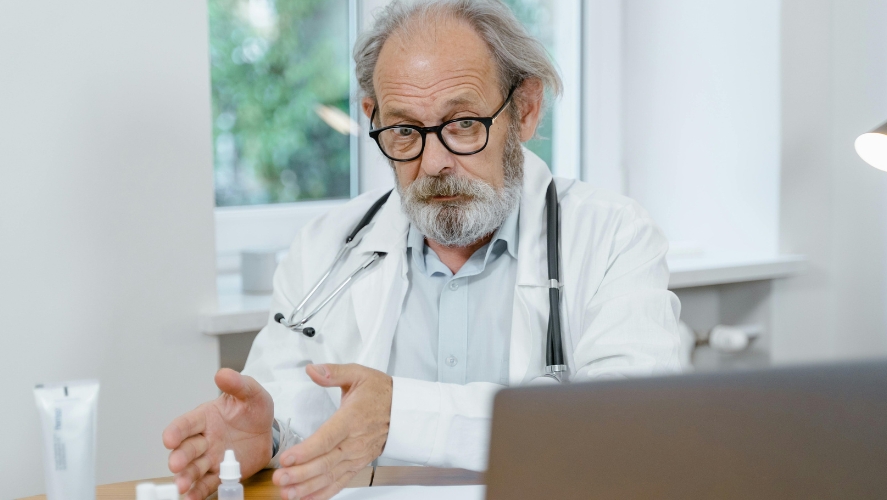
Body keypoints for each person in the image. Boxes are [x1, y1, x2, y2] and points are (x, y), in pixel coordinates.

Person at [162, 1, 682, 499]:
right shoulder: (326, 245)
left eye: (462, 124)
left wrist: (401, 415)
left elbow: (631, 429)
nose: (433, 161)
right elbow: (291, 402)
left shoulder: (613, 235)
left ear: (524, 110)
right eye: (406, 130)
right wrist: (268, 435)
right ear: (372, 116)